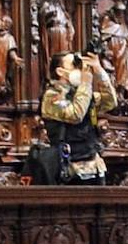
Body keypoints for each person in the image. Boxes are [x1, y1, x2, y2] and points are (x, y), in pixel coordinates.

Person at [41, 50, 118, 184]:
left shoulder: (82, 93)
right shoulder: (51, 96)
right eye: (74, 66)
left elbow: (110, 101)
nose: (79, 70)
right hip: (69, 169)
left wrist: (99, 71)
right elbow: (76, 114)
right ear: (60, 72)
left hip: (94, 165)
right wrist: (85, 83)